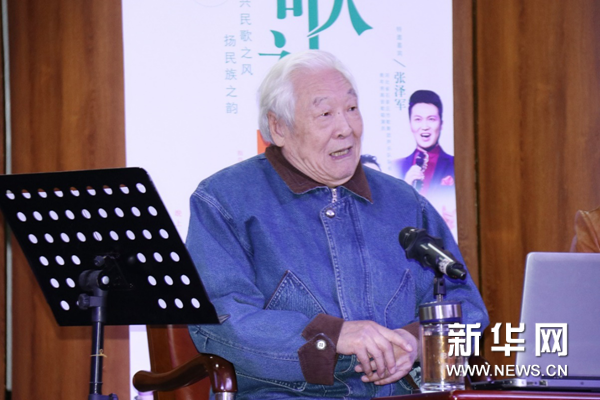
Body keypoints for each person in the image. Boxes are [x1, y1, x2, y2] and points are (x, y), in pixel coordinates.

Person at [186, 50, 488, 400]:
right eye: (325, 114)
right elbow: (220, 321)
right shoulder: (226, 199)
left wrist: (416, 341)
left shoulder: (404, 202)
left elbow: (467, 307)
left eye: (352, 108)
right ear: (279, 127)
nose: (346, 128)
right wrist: (333, 336)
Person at [394, 90, 455, 198]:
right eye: (418, 119)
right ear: (410, 124)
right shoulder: (396, 166)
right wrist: (405, 187)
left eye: (431, 119)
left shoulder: (455, 165)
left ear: (441, 124)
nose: (425, 127)